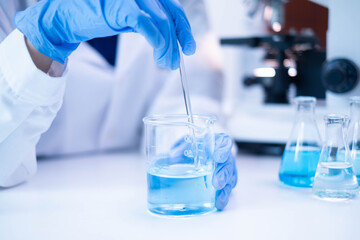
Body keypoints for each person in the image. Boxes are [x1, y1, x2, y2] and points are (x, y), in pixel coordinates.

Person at [0, 0, 237, 210]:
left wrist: (191, 141)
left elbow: (192, 88)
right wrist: (43, 36)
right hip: (35, 206)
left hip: (127, 193)